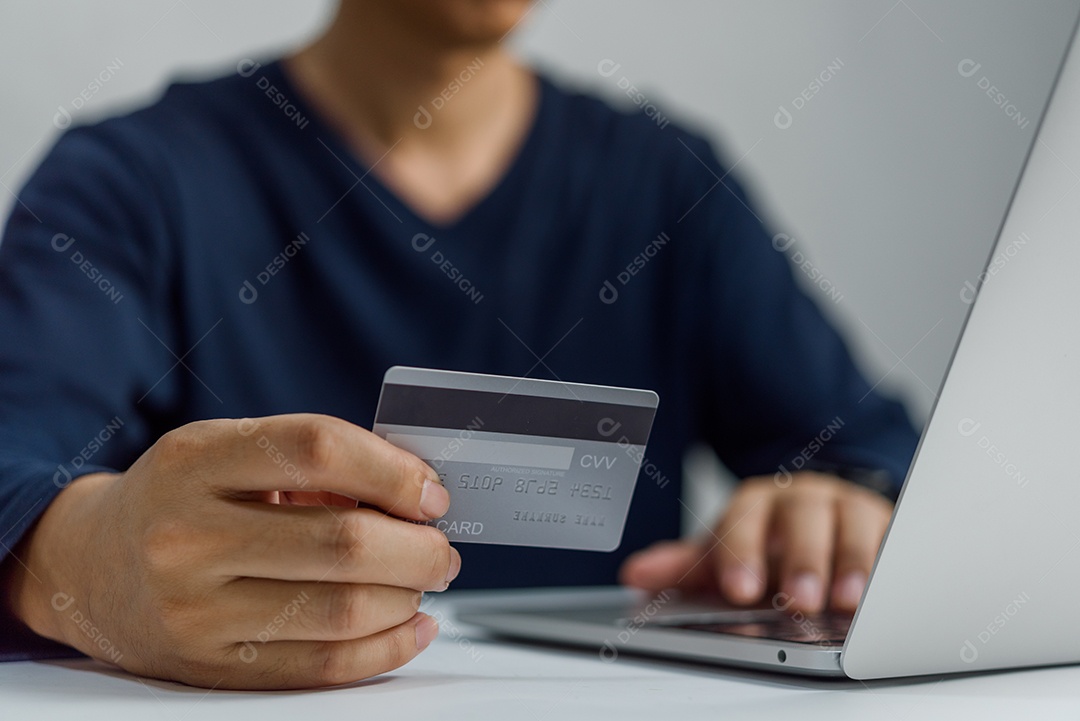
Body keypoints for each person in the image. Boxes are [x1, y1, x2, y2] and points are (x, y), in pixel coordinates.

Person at [0, 0, 918, 689]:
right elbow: (13, 463)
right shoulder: (132, 184)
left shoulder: (667, 186)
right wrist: (79, 561)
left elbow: (871, 450)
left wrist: (840, 509)